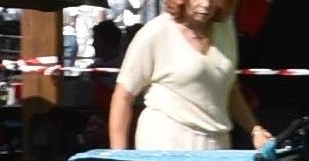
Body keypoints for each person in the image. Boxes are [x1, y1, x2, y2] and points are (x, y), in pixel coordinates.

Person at [108, 0, 272, 150]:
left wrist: (255, 130)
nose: (206, 4)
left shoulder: (226, 30)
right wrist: (118, 159)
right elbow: (122, 98)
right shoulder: (156, 32)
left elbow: (229, 90)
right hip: (164, 144)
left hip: (217, 147)